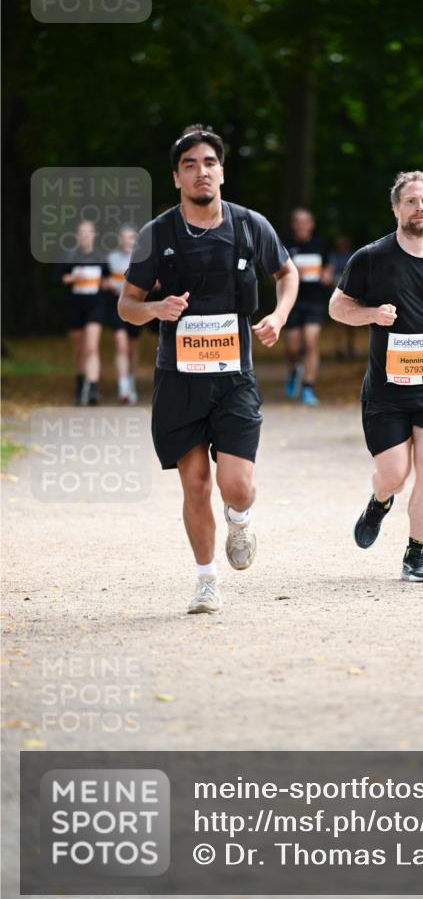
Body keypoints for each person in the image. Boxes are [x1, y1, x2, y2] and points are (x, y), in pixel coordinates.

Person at [118, 125, 298, 614]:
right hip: (178, 379)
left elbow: (286, 273)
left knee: (234, 484)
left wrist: (278, 317)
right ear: (176, 177)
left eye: (210, 163)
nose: (202, 172)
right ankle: (205, 581)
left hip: (234, 376)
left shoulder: (248, 225)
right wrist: (156, 310)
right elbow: (127, 305)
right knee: (194, 482)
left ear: (222, 170)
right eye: (191, 165)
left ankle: (239, 519)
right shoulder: (157, 234)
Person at [329, 170, 423, 583]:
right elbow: (337, 307)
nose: (419, 208)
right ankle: (380, 502)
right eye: (411, 201)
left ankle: (416, 554)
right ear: (396, 208)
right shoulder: (371, 258)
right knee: (395, 474)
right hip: (387, 389)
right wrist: (371, 315)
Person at [282, 208, 331, 406]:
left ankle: (308, 387)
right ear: (294, 225)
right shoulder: (285, 245)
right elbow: (274, 272)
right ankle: (294, 370)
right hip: (291, 300)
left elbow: (328, 266)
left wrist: (327, 274)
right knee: (293, 349)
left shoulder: (319, 244)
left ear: (312, 224)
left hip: (315, 299)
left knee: (310, 342)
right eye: (298, 222)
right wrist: (291, 272)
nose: (302, 225)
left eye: (306, 221)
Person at [59, 219, 109, 406]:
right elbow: (60, 278)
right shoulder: (69, 256)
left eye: (89, 232)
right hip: (75, 307)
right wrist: (72, 278)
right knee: (79, 349)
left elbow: (106, 280)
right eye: (82, 232)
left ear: (94, 235)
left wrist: (108, 284)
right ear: (77, 236)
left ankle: (94, 388)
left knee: (91, 347)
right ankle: (80, 385)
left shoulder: (100, 257)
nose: (86, 235)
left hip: (95, 306)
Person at [105, 223, 141, 404]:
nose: (128, 240)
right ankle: (123, 387)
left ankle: (131, 381)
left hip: (135, 307)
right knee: (121, 345)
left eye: (131, 237)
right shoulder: (111, 259)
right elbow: (102, 281)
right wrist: (107, 284)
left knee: (132, 348)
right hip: (116, 306)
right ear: (119, 239)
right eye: (125, 237)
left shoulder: (141, 260)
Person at [328, 233, 359, 360]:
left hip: (351, 294)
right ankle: (339, 350)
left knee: (351, 325)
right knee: (338, 324)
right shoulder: (333, 257)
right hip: (337, 296)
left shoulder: (352, 256)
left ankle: (351, 348)